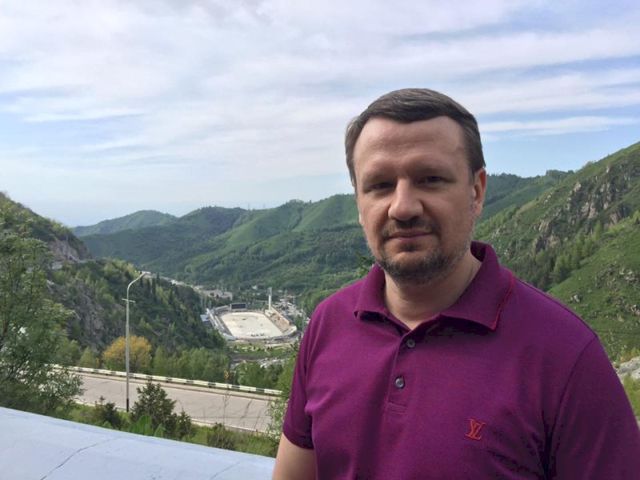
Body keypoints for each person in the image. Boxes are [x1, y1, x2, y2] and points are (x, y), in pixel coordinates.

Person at [272, 88, 640, 479]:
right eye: (379, 185)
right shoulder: (328, 324)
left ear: (476, 191)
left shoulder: (565, 355)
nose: (403, 207)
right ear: (359, 205)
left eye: (430, 179)